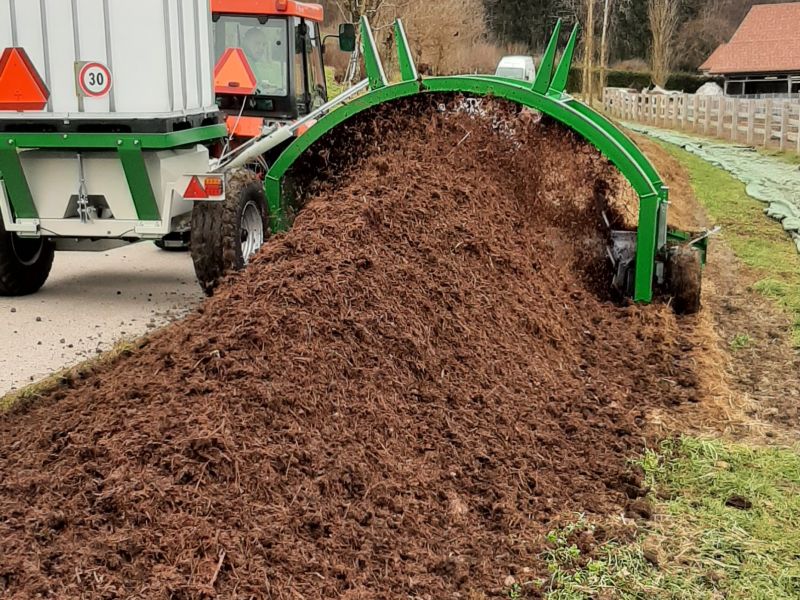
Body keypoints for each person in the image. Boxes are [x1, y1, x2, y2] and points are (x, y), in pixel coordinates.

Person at [242, 27, 285, 95]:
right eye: (257, 43)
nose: (261, 48)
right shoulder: (243, 63)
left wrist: (263, 86)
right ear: (245, 42)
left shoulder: (250, 62)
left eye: (264, 44)